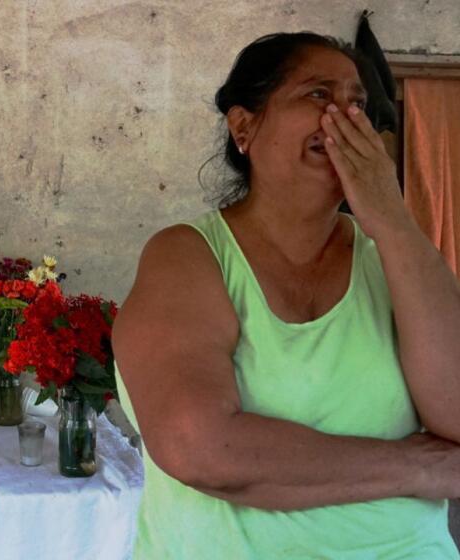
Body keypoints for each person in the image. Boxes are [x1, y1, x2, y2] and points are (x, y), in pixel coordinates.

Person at [112, 32, 460, 558]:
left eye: (358, 103)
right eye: (318, 94)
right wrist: (420, 466)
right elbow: (202, 448)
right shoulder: (187, 256)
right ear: (244, 126)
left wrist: (393, 222)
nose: (344, 116)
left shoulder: (395, 259)